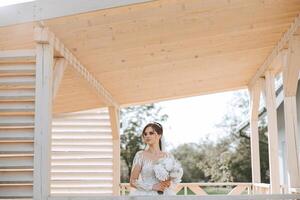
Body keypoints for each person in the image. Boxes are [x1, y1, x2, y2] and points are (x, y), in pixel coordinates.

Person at [129, 122, 181, 196]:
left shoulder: (168, 156)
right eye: (145, 134)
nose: (147, 136)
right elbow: (133, 181)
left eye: (151, 133)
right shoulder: (140, 155)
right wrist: (152, 187)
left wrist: (169, 183)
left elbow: (174, 179)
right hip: (146, 195)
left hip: (165, 194)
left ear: (159, 135)